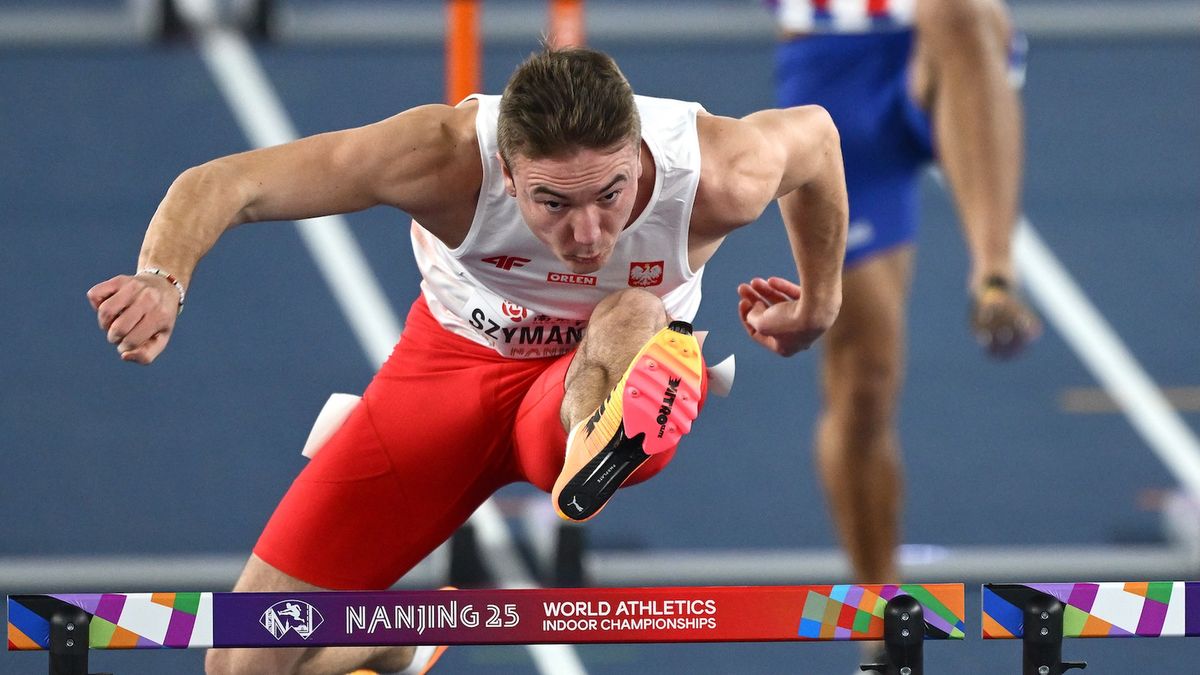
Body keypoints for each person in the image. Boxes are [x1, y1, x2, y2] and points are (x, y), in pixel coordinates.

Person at [87, 46, 848, 674]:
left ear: (638, 156)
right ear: (506, 174)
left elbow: (816, 139)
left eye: (612, 194)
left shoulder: (719, 171)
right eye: (553, 203)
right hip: (446, 376)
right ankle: (393, 637)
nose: (588, 234)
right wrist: (162, 279)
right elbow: (228, 183)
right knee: (241, 661)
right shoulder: (445, 156)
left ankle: (598, 441)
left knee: (634, 310)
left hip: (585, 384)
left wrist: (819, 305)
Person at [768, 0, 1041, 669]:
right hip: (832, 74)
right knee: (864, 385)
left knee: (959, 12)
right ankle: (879, 606)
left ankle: (995, 275)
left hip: (952, 55)